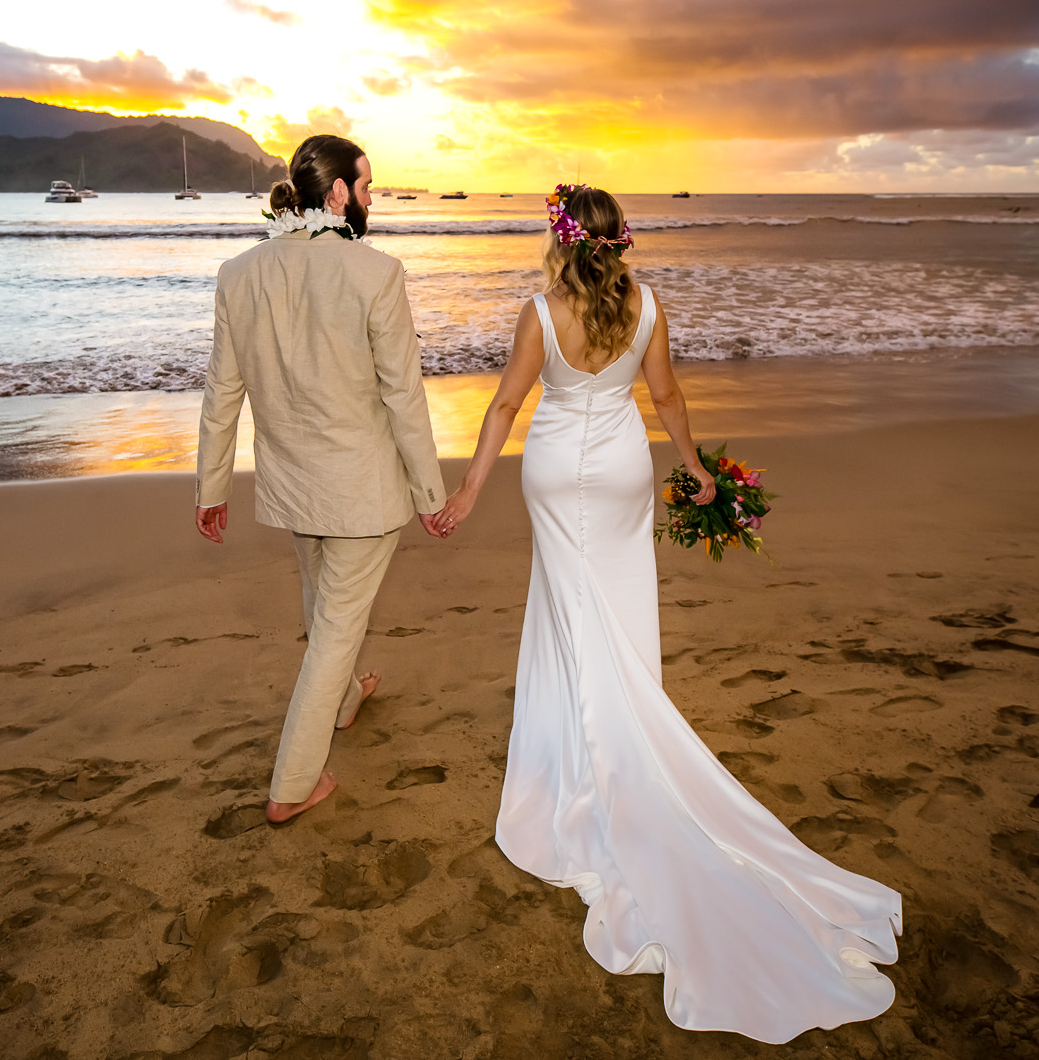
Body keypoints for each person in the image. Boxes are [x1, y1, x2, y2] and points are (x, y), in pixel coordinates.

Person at [430, 185, 902, 1043]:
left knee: (571, 614)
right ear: (619, 242)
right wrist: (699, 469)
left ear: (562, 239)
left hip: (553, 472)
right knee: (606, 606)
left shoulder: (541, 310)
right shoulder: (647, 307)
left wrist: (467, 491)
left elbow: (504, 405)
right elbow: (670, 398)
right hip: (620, 468)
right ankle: (616, 728)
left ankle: (584, 763)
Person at [193, 134, 448, 824]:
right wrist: (432, 494)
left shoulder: (239, 273)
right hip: (362, 489)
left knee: (323, 601)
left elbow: (223, 390)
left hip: (293, 484)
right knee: (335, 628)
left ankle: (344, 701)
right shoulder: (377, 274)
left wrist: (211, 487)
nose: (371, 200)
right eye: (366, 187)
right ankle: (293, 784)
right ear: (336, 193)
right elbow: (404, 394)